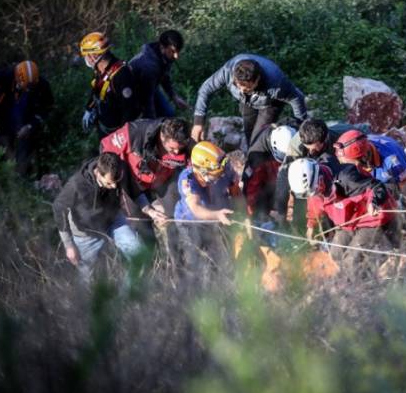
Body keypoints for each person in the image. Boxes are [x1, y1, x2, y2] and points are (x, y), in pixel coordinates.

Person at [288, 158, 398, 280]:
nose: (312, 194)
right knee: (335, 255)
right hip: (348, 223)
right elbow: (315, 204)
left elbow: (377, 187)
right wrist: (311, 225)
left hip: (371, 220)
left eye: (312, 191)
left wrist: (374, 202)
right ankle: (352, 280)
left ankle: (366, 288)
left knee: (350, 262)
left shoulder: (346, 178)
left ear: (319, 180)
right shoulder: (313, 189)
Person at [52, 152, 142, 282]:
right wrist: (68, 245)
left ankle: (126, 297)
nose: (115, 186)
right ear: (98, 173)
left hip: (113, 220)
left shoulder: (119, 169)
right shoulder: (77, 184)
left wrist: (148, 209)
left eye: (116, 182)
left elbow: (133, 189)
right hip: (86, 233)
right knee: (87, 279)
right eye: (109, 183)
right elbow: (58, 206)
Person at [191, 54, 308, 144]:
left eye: (246, 88)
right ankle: (253, 158)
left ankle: (259, 161)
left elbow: (297, 97)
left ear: (257, 79)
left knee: (258, 139)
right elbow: (205, 89)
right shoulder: (228, 71)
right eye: (237, 86)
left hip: (269, 104)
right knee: (249, 133)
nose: (241, 90)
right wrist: (198, 122)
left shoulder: (276, 83)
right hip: (246, 101)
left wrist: (301, 125)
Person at [99, 117, 192, 227]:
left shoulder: (185, 142)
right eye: (172, 149)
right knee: (141, 225)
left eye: (180, 149)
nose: (176, 152)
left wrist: (189, 182)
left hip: (163, 178)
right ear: (162, 137)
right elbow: (105, 147)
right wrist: (111, 175)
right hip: (132, 180)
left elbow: (193, 166)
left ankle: (176, 242)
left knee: (174, 214)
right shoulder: (135, 132)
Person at [272, 119, 360, 222]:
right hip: (311, 168)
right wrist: (280, 210)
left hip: (340, 157)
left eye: (313, 149)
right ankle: (299, 223)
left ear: (324, 139)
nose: (310, 152)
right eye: (307, 148)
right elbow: (284, 175)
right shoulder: (296, 146)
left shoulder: (342, 139)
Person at [174, 141, 240, 275]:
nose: (221, 176)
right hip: (190, 222)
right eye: (216, 174)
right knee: (196, 262)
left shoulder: (224, 168)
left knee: (223, 259)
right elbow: (196, 208)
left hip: (218, 217)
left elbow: (236, 193)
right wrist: (217, 215)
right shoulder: (187, 180)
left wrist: (243, 214)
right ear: (202, 171)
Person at [0, 60, 53, 175]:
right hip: (3, 117)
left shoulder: (42, 85)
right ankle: (1, 175)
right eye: (26, 87)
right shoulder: (1, 79)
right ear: (17, 78)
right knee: (0, 147)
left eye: (31, 87)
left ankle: (23, 176)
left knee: (26, 148)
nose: (28, 89)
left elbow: (46, 109)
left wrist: (31, 126)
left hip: (26, 120)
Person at [79, 31, 140, 138]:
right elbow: (96, 90)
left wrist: (123, 134)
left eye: (87, 56)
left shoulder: (121, 74)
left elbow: (130, 109)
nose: (86, 59)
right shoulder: (99, 70)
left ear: (95, 55)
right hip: (104, 127)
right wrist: (89, 108)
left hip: (118, 132)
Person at [129, 29, 192, 119]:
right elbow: (147, 101)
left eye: (178, 51)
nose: (176, 56)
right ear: (162, 47)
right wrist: (152, 124)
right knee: (156, 120)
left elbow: (164, 77)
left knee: (169, 113)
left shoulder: (164, 56)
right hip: (135, 94)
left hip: (150, 87)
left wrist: (174, 96)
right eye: (173, 51)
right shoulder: (149, 66)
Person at [242, 124, 295, 222]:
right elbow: (251, 188)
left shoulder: (292, 133)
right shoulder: (257, 157)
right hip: (266, 187)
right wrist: (250, 213)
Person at [334, 130, 406, 187]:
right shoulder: (362, 145)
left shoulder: (393, 163)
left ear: (364, 158)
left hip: (391, 177)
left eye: (350, 165)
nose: (347, 168)